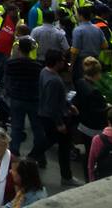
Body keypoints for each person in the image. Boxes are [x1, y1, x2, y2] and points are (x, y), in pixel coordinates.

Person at [34, 49, 80, 186]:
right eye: (62, 60)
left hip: (45, 115)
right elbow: (52, 104)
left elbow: (56, 98)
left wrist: (68, 104)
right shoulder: (54, 80)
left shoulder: (44, 72)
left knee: (48, 141)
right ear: (56, 63)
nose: (64, 62)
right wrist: (60, 123)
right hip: (55, 118)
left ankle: (30, 158)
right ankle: (66, 177)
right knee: (62, 147)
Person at [4, 37, 42, 157]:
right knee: (37, 128)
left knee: (16, 128)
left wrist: (9, 92)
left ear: (18, 49)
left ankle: (14, 153)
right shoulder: (36, 66)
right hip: (33, 99)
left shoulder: (11, 64)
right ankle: (39, 155)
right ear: (31, 50)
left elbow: (6, 80)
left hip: (16, 98)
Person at [72, 56, 109, 149]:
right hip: (93, 127)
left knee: (89, 149)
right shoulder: (94, 92)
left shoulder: (80, 82)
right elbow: (98, 111)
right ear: (96, 73)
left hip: (82, 123)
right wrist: (108, 107)